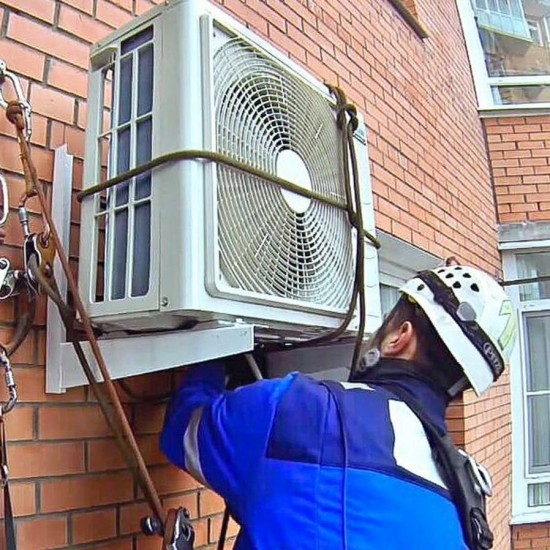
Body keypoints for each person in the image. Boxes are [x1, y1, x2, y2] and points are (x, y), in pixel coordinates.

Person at [160, 265, 517, 549]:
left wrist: (217, 360)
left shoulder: (303, 411)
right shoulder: (469, 500)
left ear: (400, 338)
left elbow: (183, 431)